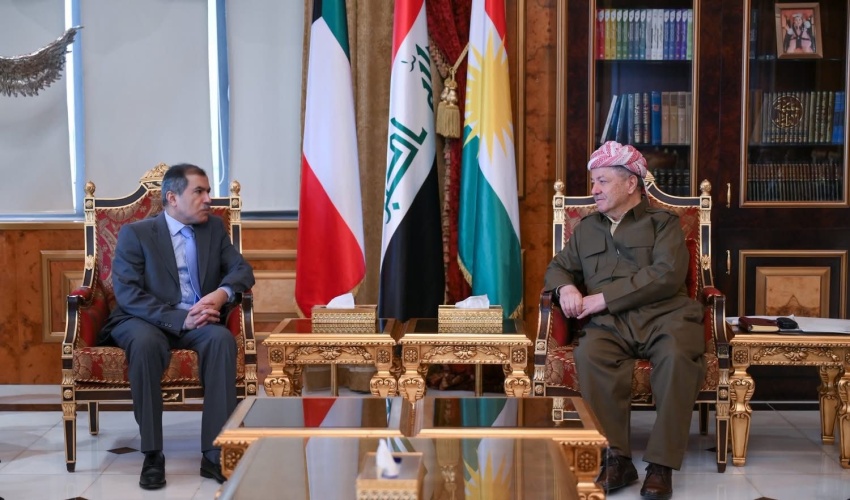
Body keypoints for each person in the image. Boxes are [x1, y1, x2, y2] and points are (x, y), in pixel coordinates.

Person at [543, 141, 705, 500]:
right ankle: (616, 459)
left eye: (602, 181)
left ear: (631, 183)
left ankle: (660, 465)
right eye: (593, 182)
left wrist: (602, 298)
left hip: (665, 318)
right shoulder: (586, 229)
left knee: (678, 356)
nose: (594, 190)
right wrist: (565, 288)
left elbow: (667, 274)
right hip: (609, 325)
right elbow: (557, 267)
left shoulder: (664, 224)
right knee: (590, 354)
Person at [99, 164, 255, 490]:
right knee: (145, 344)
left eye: (208, 191)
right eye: (199, 191)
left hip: (199, 319)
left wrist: (221, 294)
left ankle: (215, 453)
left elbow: (242, 270)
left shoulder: (213, 229)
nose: (208, 199)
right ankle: (152, 453)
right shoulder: (137, 233)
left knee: (221, 340)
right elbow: (128, 294)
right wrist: (180, 319)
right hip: (143, 319)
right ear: (172, 198)